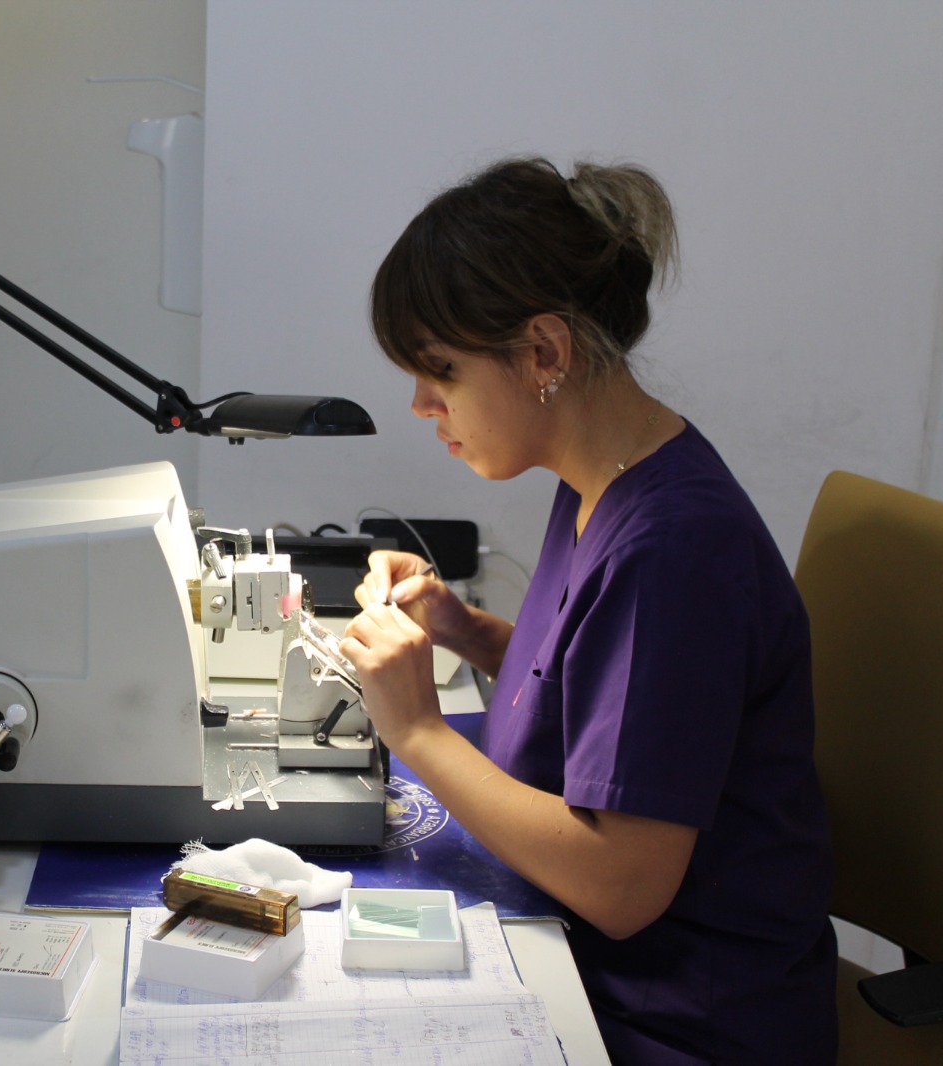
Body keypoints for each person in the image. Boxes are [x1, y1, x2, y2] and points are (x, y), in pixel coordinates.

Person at [338, 157, 837, 1064]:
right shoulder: (605, 473)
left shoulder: (672, 548)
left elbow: (621, 887)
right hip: (588, 958)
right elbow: (603, 687)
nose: (420, 405)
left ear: (544, 353)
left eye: (440, 370)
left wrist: (417, 730)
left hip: (676, 1016)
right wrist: (462, 629)